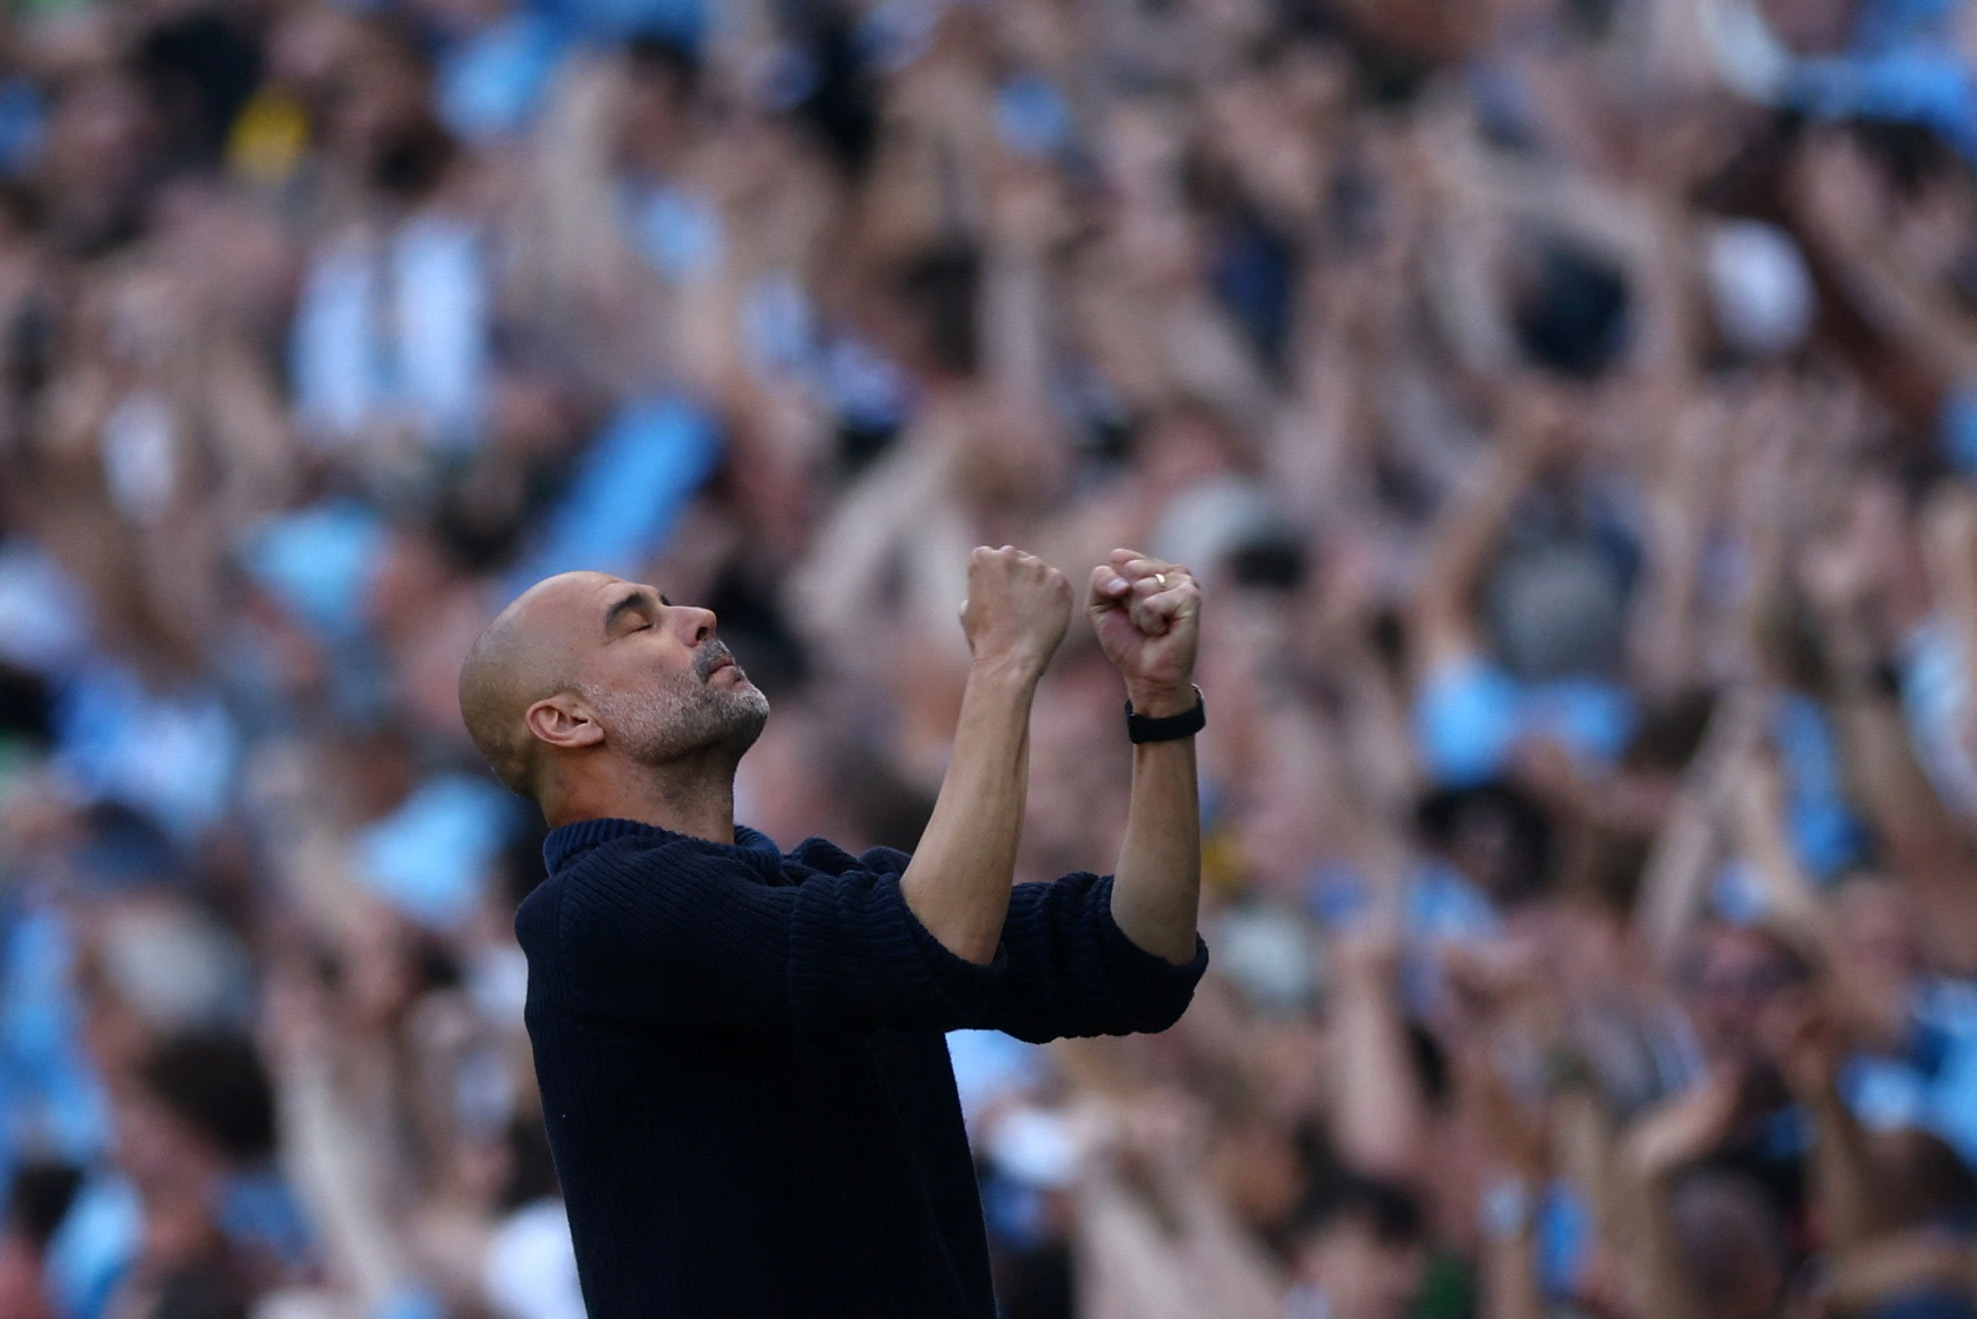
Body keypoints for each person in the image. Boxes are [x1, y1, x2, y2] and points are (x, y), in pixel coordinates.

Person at [455, 545, 1210, 1317]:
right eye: (637, 624)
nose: (698, 617)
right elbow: (929, 945)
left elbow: (1138, 952)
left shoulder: (806, 889)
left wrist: (1161, 707)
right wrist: (1003, 664)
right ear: (566, 719)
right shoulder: (593, 913)